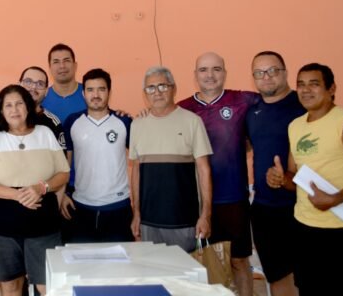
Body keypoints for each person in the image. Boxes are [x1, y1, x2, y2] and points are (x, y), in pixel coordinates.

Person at [247, 51, 343, 296]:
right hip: (304, 223)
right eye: (302, 84)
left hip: (342, 227)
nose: (306, 90)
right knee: (307, 287)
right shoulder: (295, 125)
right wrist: (281, 178)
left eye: (314, 84)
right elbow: (294, 175)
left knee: (341, 290)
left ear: (331, 89)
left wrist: (335, 199)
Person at [0, 85, 70, 296]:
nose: (14, 109)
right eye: (8, 105)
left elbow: (63, 173)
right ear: (0, 110)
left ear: (28, 107)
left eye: (19, 103)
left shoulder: (45, 133)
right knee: (11, 285)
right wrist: (17, 195)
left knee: (47, 285)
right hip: (0, 226)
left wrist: (41, 187)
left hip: (43, 224)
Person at [178, 52, 259, 295]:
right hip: (196, 202)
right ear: (195, 75)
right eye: (203, 70)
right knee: (201, 263)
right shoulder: (182, 108)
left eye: (216, 69)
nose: (210, 75)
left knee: (239, 261)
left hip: (233, 198)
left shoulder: (243, 100)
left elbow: (281, 99)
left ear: (225, 72)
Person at [129, 66, 212, 253]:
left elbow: (204, 170)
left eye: (163, 86)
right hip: (148, 223)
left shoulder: (192, 121)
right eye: (151, 88)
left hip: (184, 222)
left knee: (184, 270)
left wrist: (206, 215)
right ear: (145, 93)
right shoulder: (137, 125)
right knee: (151, 269)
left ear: (173, 88)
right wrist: (136, 213)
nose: (157, 92)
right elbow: (136, 172)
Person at [61, 68, 133, 243]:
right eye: (90, 90)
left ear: (109, 92)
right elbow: (65, 163)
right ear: (83, 93)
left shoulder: (124, 121)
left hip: (118, 207)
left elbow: (139, 162)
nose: (96, 95)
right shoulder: (72, 122)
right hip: (81, 207)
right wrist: (62, 194)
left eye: (101, 89)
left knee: (120, 259)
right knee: (80, 259)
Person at [19, 66, 65, 149]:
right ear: (19, 85)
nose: (33, 87)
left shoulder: (53, 123)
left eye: (40, 84)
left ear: (46, 91)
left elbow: (60, 156)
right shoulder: (4, 117)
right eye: (28, 82)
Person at [42, 44, 86, 124]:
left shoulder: (89, 93)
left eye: (66, 60)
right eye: (56, 62)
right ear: (49, 67)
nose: (62, 66)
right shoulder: (42, 97)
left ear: (75, 65)